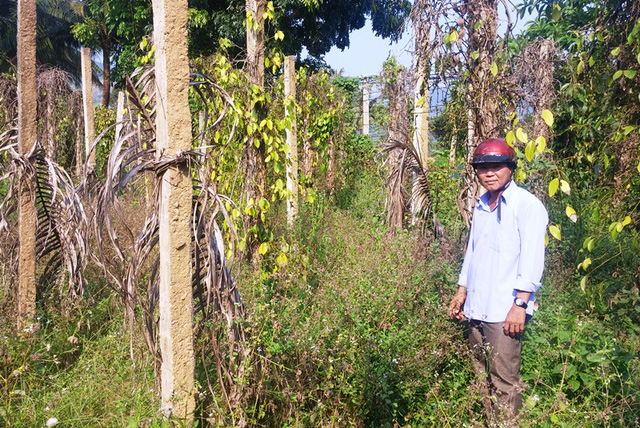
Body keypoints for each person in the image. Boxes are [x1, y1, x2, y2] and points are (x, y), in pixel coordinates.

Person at [448, 137, 548, 425]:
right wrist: (461, 291)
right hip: (476, 308)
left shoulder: (526, 205)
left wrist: (519, 305)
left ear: (511, 169)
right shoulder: (480, 205)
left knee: (504, 382)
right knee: (481, 378)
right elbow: (473, 251)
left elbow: (532, 260)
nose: (489, 172)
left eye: (497, 166)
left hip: (504, 312)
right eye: (483, 167)